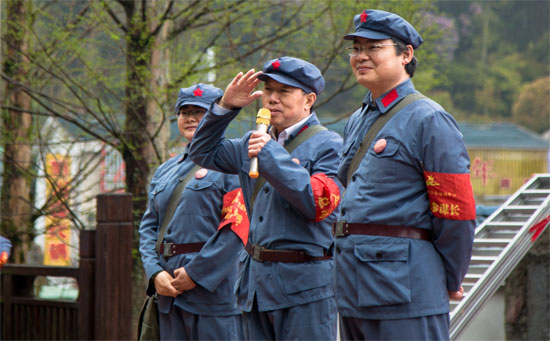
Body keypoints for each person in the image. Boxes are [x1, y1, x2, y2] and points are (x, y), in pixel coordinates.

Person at [333, 9, 476, 340]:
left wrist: (450, 278)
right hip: (354, 288)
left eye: (374, 47)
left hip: (404, 289)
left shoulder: (428, 119)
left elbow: (456, 212)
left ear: (406, 54)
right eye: (355, 49)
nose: (361, 57)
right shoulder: (357, 119)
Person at [188, 56, 343, 340]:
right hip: (255, 284)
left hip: (305, 286)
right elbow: (200, 152)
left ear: (308, 100)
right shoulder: (252, 140)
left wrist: (270, 153)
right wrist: (226, 106)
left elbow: (315, 203)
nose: (272, 99)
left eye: (284, 92)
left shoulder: (330, 144)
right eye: (269, 90)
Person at [139, 83, 247, 340]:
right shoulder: (165, 170)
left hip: (214, 294)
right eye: (184, 111)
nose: (191, 118)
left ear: (216, 117)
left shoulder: (233, 164)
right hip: (168, 294)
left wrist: (196, 274)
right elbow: (148, 228)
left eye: (200, 112)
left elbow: (237, 226)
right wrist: (155, 273)